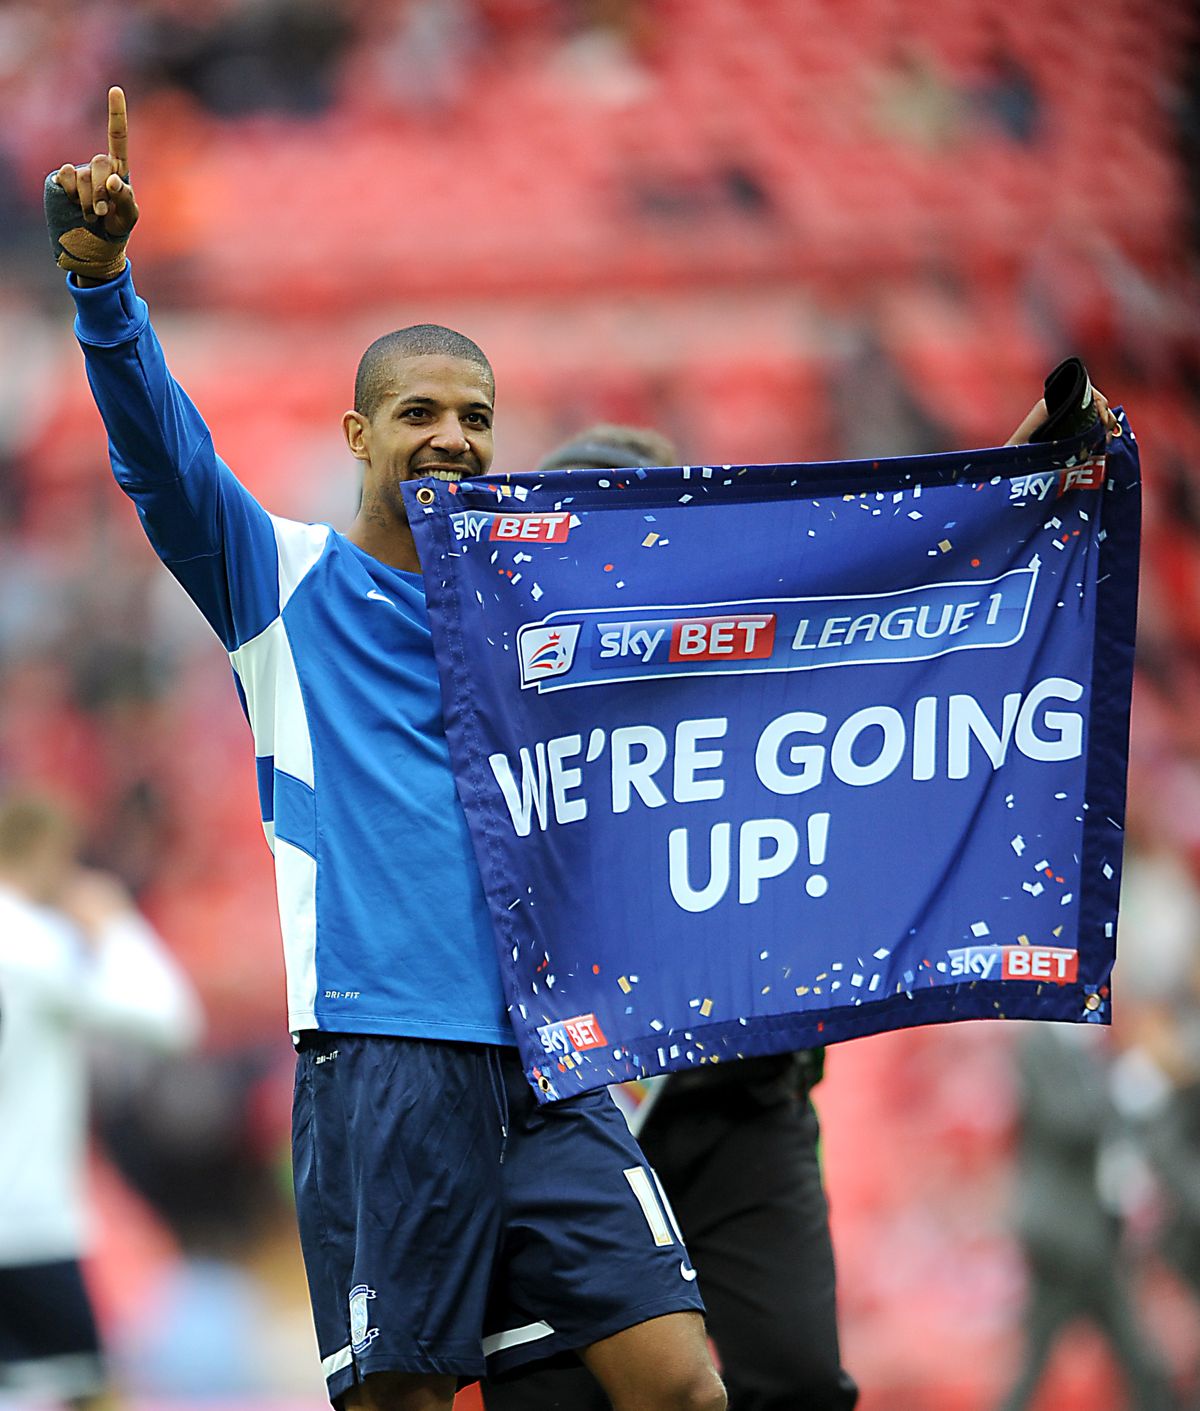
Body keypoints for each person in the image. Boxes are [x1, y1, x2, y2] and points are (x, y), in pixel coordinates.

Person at [47, 88, 725, 1411]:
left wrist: (1020, 498)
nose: (450, 437)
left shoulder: (532, 611)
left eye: (473, 414)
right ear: (358, 433)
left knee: (682, 1383)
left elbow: (791, 615)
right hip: (382, 1057)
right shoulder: (279, 586)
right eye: (417, 411)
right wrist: (106, 291)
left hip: (549, 1057)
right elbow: (161, 463)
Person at [481, 424, 859, 1411]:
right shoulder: (486, 712)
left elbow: (914, 625)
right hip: (565, 1116)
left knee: (804, 1384)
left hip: (737, 1100)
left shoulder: (765, 690)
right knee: (555, 1395)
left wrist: (1029, 478)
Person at [0, 790, 203, 1409]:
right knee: (91, 1395)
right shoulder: (32, 943)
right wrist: (115, 923)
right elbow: (170, 1021)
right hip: (26, 1222)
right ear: (48, 856)